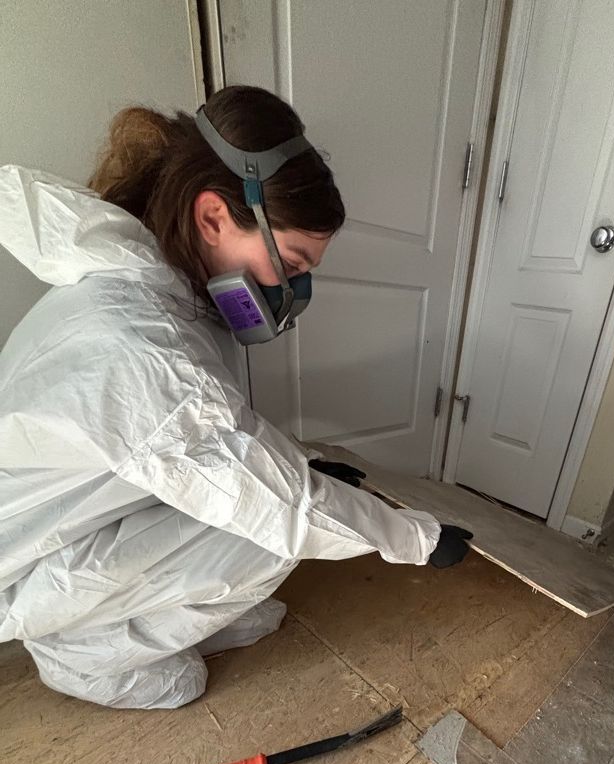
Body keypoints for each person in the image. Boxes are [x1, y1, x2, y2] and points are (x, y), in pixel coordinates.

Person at [0, 85, 472, 710]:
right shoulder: (138, 341)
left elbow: (207, 443)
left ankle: (133, 621)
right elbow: (277, 502)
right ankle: (80, 653)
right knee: (268, 538)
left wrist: (302, 466)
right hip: (28, 570)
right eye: (294, 262)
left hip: (82, 524)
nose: (296, 289)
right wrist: (414, 538)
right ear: (214, 217)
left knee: (267, 518)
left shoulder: (152, 287)